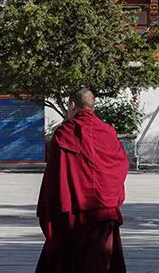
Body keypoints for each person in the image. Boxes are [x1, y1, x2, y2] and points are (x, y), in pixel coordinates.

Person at [36, 88, 128, 273]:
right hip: (104, 211)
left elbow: (55, 176)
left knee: (70, 263)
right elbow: (122, 164)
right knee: (100, 263)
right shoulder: (108, 132)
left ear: (72, 106)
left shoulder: (64, 133)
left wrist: (49, 209)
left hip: (74, 214)